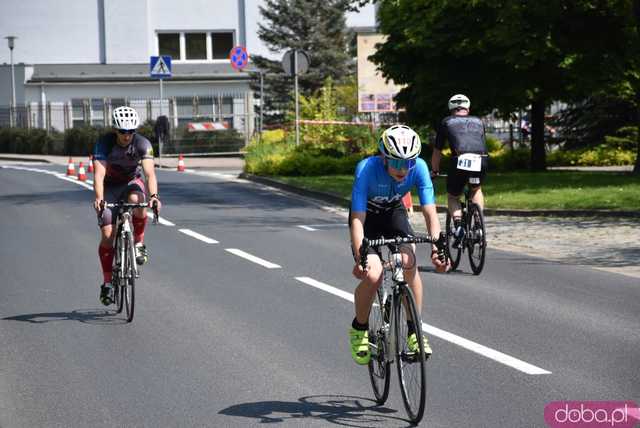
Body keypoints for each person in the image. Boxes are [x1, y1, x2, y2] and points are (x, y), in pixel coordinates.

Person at [349, 124, 449, 365]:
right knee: (373, 275)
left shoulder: (421, 168)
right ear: (383, 157)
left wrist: (438, 247)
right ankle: (359, 328)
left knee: (409, 261)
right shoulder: (366, 169)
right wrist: (360, 256)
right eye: (395, 163)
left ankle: (415, 332)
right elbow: (357, 218)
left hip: (394, 212)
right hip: (368, 218)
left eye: (408, 163)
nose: (402, 170)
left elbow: (430, 213)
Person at [92, 106, 161, 306]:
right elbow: (99, 174)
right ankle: (107, 283)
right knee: (107, 235)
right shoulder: (103, 144)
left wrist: (154, 196)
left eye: (131, 131)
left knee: (137, 201)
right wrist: (99, 197)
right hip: (109, 187)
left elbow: (149, 174)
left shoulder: (143, 143)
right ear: (115, 130)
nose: (127, 135)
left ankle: (138, 243)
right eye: (123, 131)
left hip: (132, 182)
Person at [431, 94, 488, 248]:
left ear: (451, 109)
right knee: (476, 189)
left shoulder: (446, 122)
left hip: (460, 161)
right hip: (481, 160)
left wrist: (434, 170)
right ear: (467, 109)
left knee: (453, 196)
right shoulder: (479, 121)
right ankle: (478, 226)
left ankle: (459, 226)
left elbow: (438, 150)